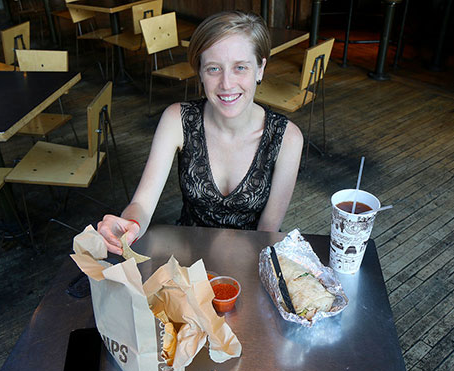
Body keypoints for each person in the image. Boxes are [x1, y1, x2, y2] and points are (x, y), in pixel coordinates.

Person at [97, 10, 303, 255]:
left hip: (249, 258)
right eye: (214, 69)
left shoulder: (287, 138)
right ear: (201, 73)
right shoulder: (177, 119)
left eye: (240, 68)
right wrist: (131, 224)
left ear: (260, 69)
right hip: (188, 257)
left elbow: (267, 231)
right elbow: (141, 204)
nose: (226, 84)